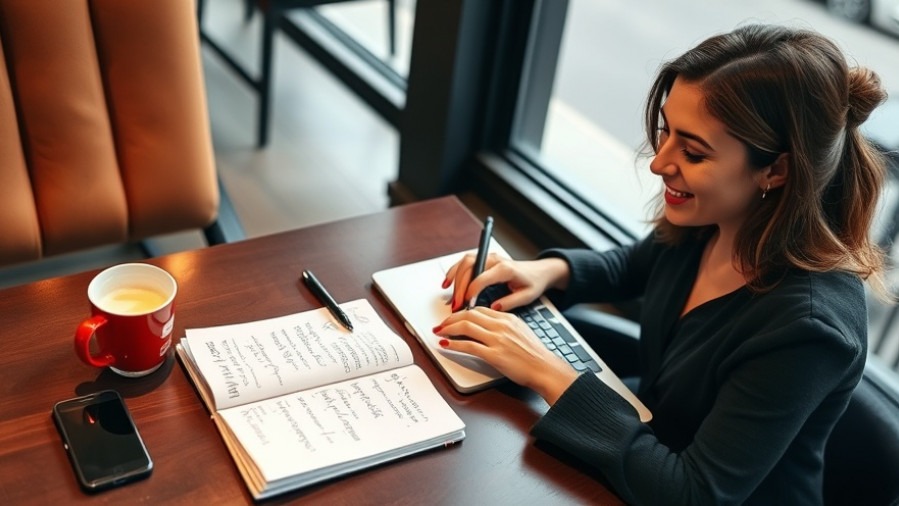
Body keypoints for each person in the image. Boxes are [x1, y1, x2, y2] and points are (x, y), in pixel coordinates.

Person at [433, 24, 890, 505]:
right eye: (665, 131)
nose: (659, 162)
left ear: (776, 170)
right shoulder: (714, 218)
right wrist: (546, 271)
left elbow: (693, 493)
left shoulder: (810, 329)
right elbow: (634, 265)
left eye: (693, 152)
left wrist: (548, 374)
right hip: (649, 440)